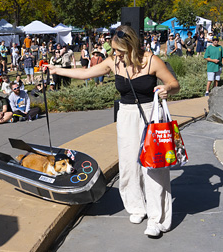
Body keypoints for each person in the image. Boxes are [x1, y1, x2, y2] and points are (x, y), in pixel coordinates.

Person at [47, 25, 180, 237]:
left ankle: (157, 219)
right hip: (126, 115)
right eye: (114, 50)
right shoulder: (114, 62)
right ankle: (136, 207)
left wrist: (166, 89)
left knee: (154, 168)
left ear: (131, 46)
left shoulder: (151, 60)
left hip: (150, 115)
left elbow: (174, 83)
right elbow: (86, 73)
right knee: (128, 165)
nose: (115, 54)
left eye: (119, 51)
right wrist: (57, 70)